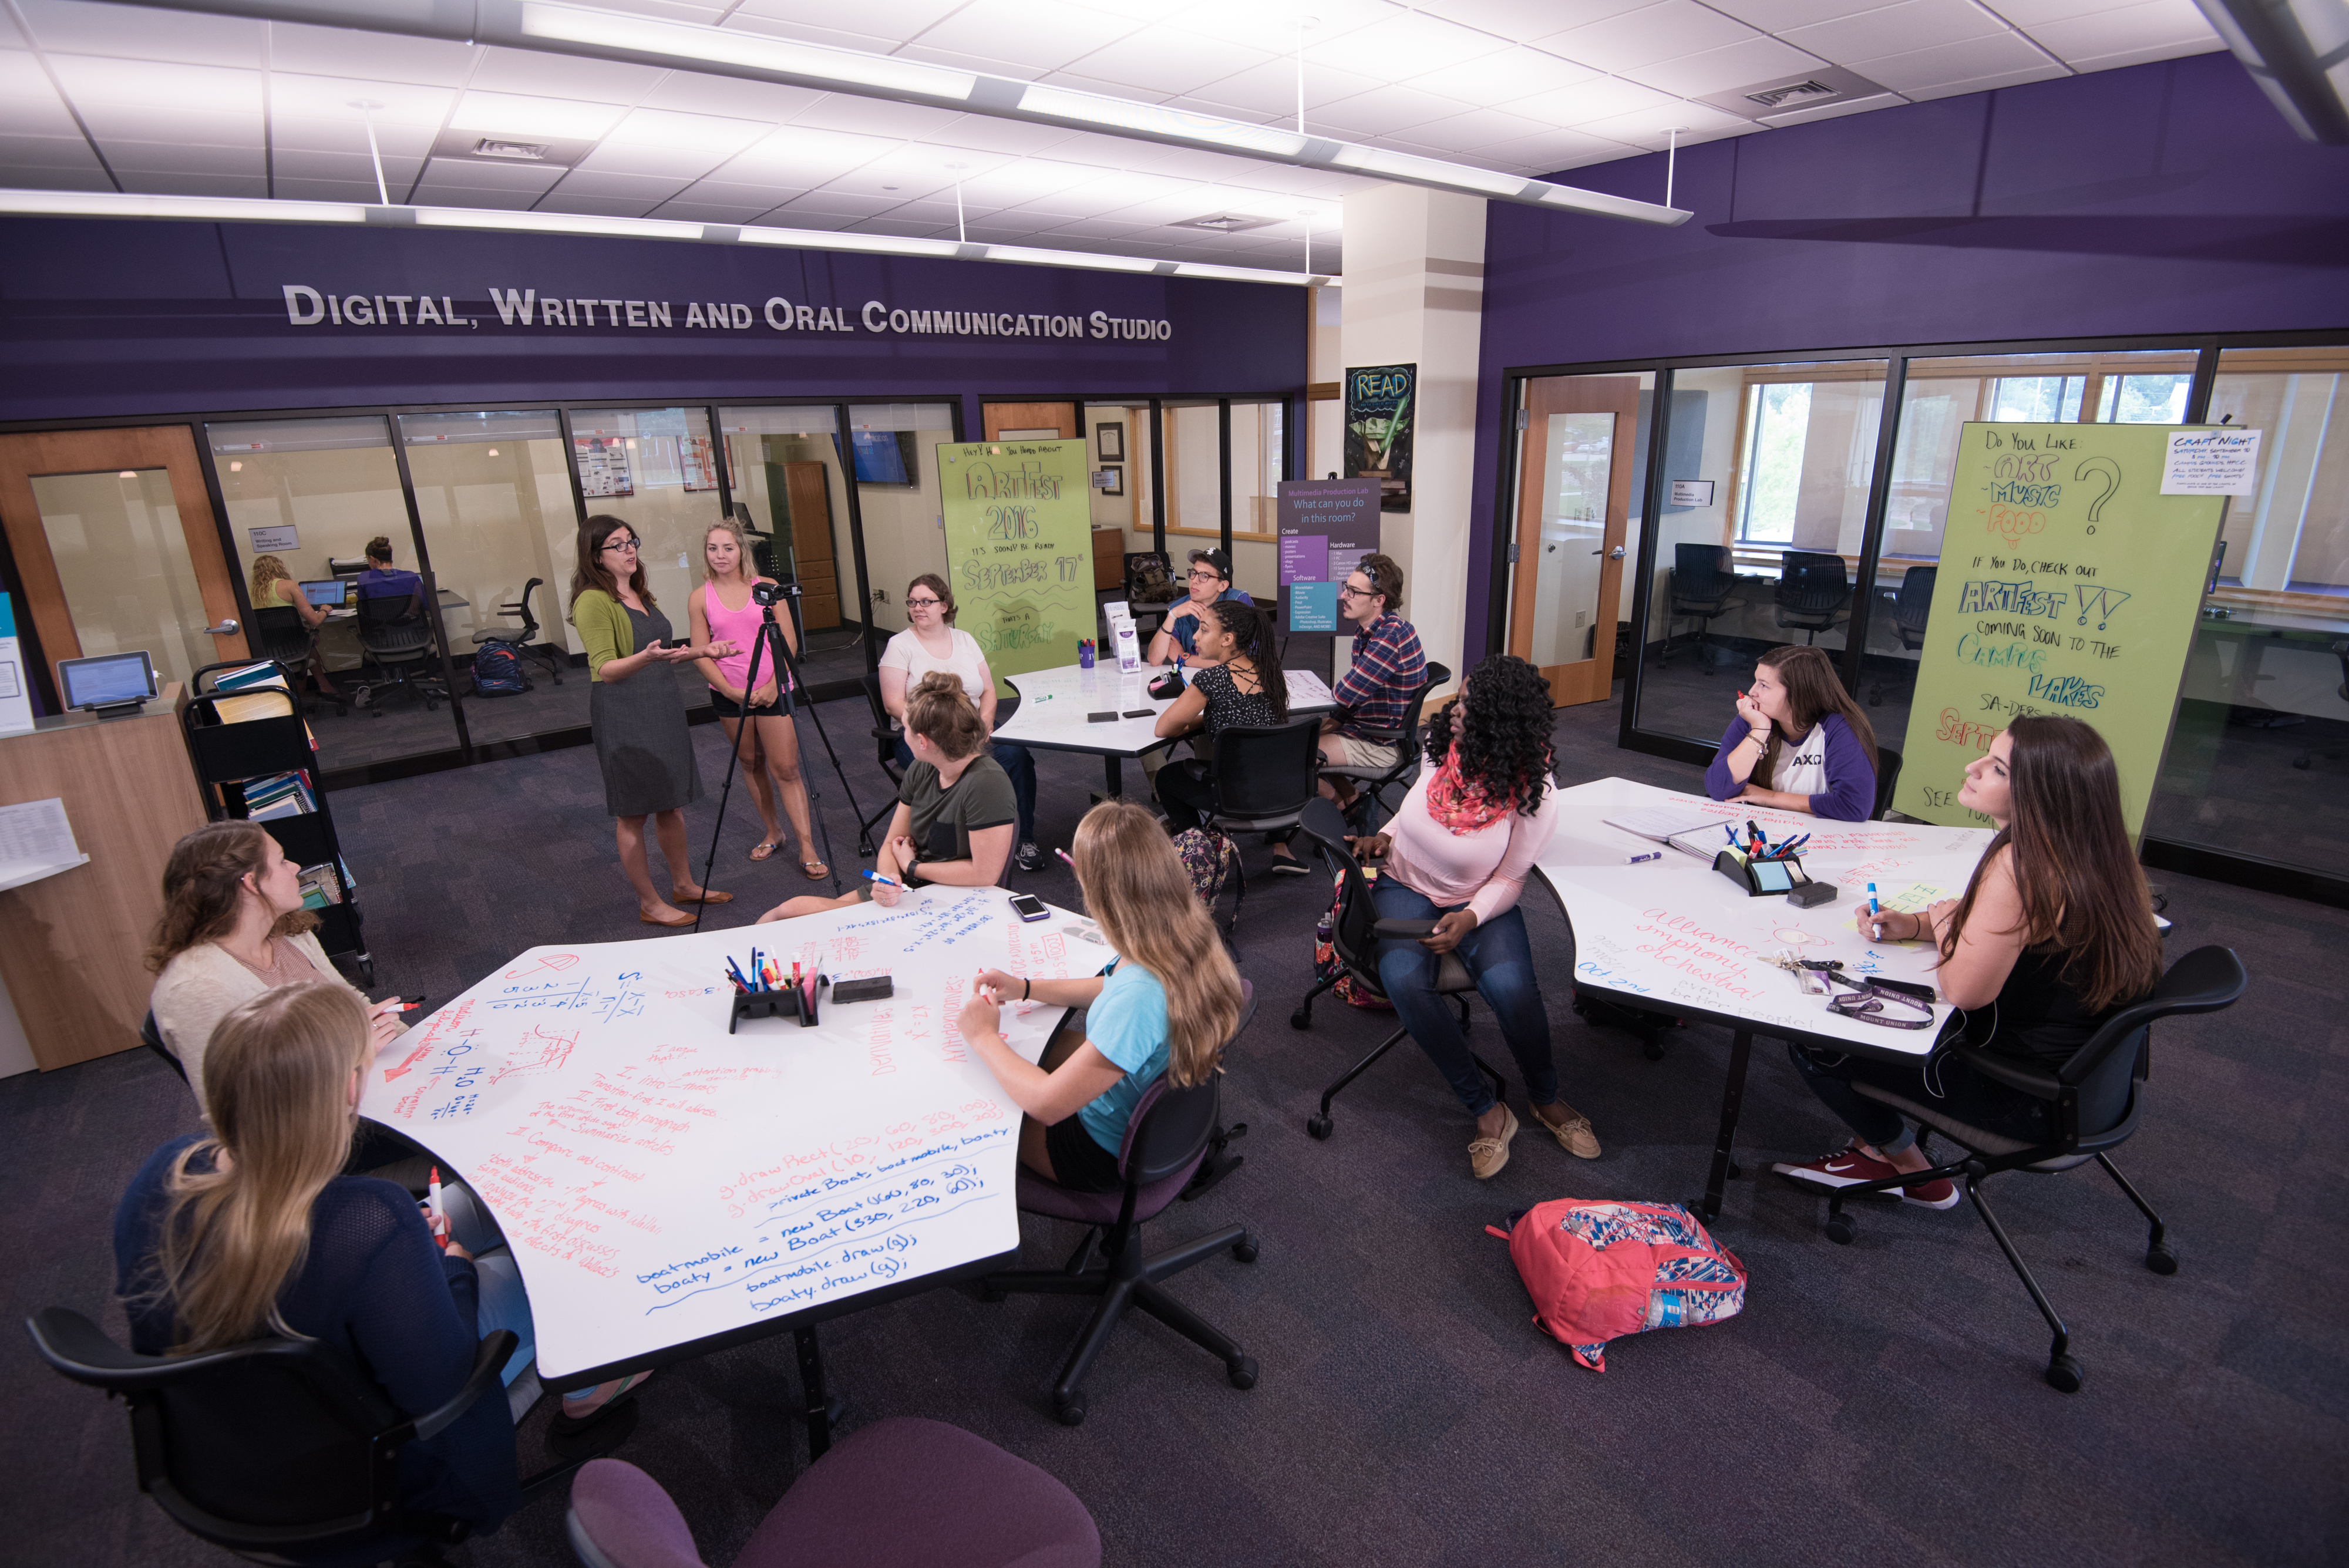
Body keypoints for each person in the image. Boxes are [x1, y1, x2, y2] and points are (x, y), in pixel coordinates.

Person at [112, 982, 644, 1540]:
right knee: (551, 1264)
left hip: (235, 1425)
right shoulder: (367, 1219)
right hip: (370, 1449)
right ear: (348, 1088)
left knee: (485, 1208)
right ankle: (592, 1389)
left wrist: (407, 1247)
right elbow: (445, 1382)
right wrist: (456, 1269)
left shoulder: (165, 1171)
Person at [1772, 715, 2165, 1208]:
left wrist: (1941, 929)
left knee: (1818, 1042)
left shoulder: (2023, 866)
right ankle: (1876, 1147)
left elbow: (1963, 991)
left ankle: (1910, 1173)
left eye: (1997, 768)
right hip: (2084, 1089)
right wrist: (1917, 924)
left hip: (2021, 1099)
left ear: (2040, 794)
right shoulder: (2092, 852)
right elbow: (1997, 927)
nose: (1972, 767)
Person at [1350, 654, 1598, 1179]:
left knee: (1515, 993)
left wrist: (1471, 917)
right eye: (1459, 697)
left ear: (1501, 725)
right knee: (1402, 980)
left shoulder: (1534, 791)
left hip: (1478, 899)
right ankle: (1486, 1108)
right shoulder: (1443, 747)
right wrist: (1386, 836)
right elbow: (1413, 808)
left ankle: (1545, 1096)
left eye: (1469, 705)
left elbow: (1510, 878)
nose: (1454, 710)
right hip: (1405, 882)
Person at [954, 799, 1244, 1192]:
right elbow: (1110, 987)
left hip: (1097, 1150)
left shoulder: (1141, 996)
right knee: (1027, 1047)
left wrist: (982, 1036)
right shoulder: (1183, 932)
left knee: (979, 1092)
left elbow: (1046, 1104)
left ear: (1101, 897)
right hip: (1153, 1111)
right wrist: (1025, 988)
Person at [147, 820, 405, 1119]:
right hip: (318, 1128)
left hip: (365, 1082)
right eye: (282, 861)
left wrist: (413, 1045)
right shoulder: (198, 989)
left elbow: (351, 1002)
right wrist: (354, 1061)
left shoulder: (287, 931)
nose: (295, 867)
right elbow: (241, 1118)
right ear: (251, 883)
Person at [572, 514, 738, 928]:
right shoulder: (593, 600)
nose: (630, 550)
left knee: (671, 806)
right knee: (633, 813)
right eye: (618, 544)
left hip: (661, 706)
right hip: (623, 713)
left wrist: (705, 652)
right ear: (596, 555)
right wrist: (645, 658)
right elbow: (605, 669)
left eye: (632, 541)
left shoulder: (639, 592)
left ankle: (683, 884)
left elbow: (664, 650)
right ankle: (650, 902)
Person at [758, 673, 1013, 923]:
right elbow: (893, 842)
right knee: (786, 913)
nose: (904, 733)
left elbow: (985, 873)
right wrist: (888, 880)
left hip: (949, 897)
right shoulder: (923, 768)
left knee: (793, 912)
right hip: (908, 888)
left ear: (922, 741)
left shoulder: (986, 783)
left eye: (906, 727)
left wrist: (912, 867)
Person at [1266, 551, 1423, 873]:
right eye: (1346, 587)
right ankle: (1353, 801)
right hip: (1367, 727)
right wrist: (1332, 720)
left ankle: (1338, 813)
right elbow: (1349, 700)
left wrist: (1331, 715)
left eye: (1354, 591)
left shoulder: (1389, 636)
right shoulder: (1370, 631)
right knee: (1310, 732)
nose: (1343, 596)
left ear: (1379, 599)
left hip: (1381, 744)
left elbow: (1344, 693)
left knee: (1292, 752)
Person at [877, 572, 1042, 873]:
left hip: (972, 729)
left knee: (1018, 758)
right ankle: (955, 847)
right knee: (959, 769)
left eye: (927, 601)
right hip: (921, 736)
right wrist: (935, 726)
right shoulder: (900, 645)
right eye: (913, 602)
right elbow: (892, 703)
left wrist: (983, 725)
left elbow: (989, 690)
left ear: (944, 605)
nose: (918, 607)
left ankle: (1024, 839)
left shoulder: (964, 639)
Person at [687, 519, 823, 880]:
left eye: (728, 548)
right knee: (750, 762)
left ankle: (806, 844)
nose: (720, 555)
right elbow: (701, 653)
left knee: (786, 768)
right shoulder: (700, 597)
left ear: (741, 551)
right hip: (730, 692)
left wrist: (773, 683)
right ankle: (772, 832)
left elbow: (788, 642)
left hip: (774, 688)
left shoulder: (767, 587)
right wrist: (732, 691)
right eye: (713, 548)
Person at [1153, 600, 1288, 834]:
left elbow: (1163, 730)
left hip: (1237, 795)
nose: (1195, 636)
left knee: (1166, 777)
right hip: (1280, 786)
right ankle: (1278, 844)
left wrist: (1194, 721)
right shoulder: (1271, 671)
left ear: (1227, 639)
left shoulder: (1213, 679)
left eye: (1204, 630)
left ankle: (1198, 843)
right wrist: (1207, 719)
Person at [1704, 643, 1879, 821]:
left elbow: (1854, 806)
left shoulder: (1840, 728)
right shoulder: (1753, 719)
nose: (1752, 692)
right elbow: (1718, 788)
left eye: (1764, 685)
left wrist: (1770, 798)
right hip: (1763, 829)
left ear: (1798, 693)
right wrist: (1759, 730)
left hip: (1820, 837)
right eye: (1756, 681)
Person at [249, 553, 338, 701]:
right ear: (279, 568)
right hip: (293, 647)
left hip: (271, 648)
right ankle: (318, 690)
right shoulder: (289, 585)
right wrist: (324, 610)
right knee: (308, 645)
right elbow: (315, 620)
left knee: (309, 645)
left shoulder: (255, 593)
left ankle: (317, 690)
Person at [1146, 548, 1254, 667]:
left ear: (1222, 586)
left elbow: (1243, 662)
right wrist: (1172, 615)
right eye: (1193, 573)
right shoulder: (1180, 607)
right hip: (1193, 678)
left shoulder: (1238, 602)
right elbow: (1154, 659)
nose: (1194, 581)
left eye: (1204, 576)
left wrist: (1185, 658)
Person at [354, 534, 424, 618]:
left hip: (381, 628)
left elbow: (363, 610)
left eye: (367, 559)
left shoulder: (364, 578)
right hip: (412, 627)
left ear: (372, 559)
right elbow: (425, 605)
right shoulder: (412, 577)